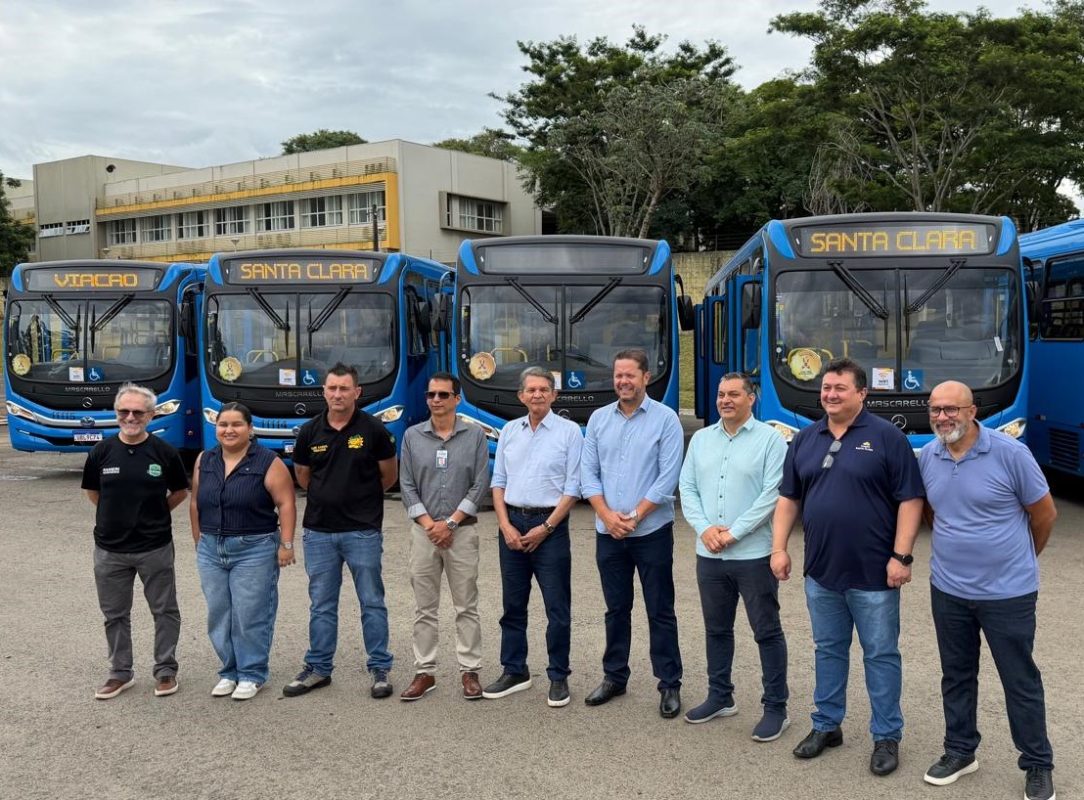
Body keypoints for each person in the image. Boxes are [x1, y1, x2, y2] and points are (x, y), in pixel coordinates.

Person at [770, 358, 924, 776]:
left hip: (875, 575)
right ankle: (827, 725)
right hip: (822, 573)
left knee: (881, 655)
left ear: (862, 393)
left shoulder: (888, 437)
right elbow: (789, 498)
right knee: (828, 650)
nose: (830, 394)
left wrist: (901, 556)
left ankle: (886, 736)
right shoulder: (806, 438)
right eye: (826, 388)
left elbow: (910, 499)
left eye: (840, 388)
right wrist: (778, 548)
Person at [918, 381, 1058, 800]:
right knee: (956, 675)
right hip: (948, 589)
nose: (943, 417)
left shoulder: (1011, 453)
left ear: (972, 411)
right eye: (935, 409)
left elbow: (1045, 514)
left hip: (1008, 594)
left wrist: (1021, 559)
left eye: (951, 409)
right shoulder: (929, 456)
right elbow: (932, 514)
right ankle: (960, 751)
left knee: (1019, 679)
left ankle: (1037, 763)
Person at [679, 373, 790, 740]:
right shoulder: (701, 440)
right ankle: (720, 696)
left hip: (753, 555)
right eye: (721, 394)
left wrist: (733, 533)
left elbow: (772, 494)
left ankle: (776, 708)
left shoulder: (771, 440)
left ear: (751, 399)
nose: (725, 400)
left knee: (766, 632)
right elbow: (687, 488)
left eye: (734, 394)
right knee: (716, 629)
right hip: (709, 554)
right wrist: (705, 529)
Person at [283, 363, 398, 699]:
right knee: (321, 604)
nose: (337, 394)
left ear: (356, 392)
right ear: (324, 392)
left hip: (362, 531)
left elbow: (388, 476)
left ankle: (380, 668)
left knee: (372, 602)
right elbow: (303, 475)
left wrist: (359, 500)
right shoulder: (309, 431)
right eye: (332, 388)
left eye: (344, 388)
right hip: (319, 532)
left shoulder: (374, 430)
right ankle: (318, 668)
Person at [581, 349, 685, 718]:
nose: (623, 382)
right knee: (616, 608)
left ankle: (669, 682)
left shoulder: (666, 419)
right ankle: (615, 676)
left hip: (651, 532)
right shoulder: (598, 419)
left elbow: (667, 478)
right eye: (618, 376)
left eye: (630, 375)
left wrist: (635, 516)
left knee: (660, 609)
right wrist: (607, 517)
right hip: (608, 532)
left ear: (646, 377)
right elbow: (587, 474)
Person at [81, 383, 189, 700]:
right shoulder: (101, 452)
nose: (130, 417)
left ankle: (165, 670)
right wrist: (117, 517)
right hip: (110, 550)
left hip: (154, 547)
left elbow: (180, 492)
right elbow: (93, 493)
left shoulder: (165, 452)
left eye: (138, 412)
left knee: (165, 611)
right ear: (116, 413)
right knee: (114, 614)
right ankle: (120, 673)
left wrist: (153, 514)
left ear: (151, 415)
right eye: (124, 411)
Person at [482, 366, 582, 707]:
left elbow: (573, 487)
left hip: (549, 527)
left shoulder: (570, 433)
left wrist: (547, 528)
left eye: (543, 389)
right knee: (513, 606)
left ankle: (558, 676)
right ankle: (515, 670)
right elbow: (498, 482)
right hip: (512, 524)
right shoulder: (510, 430)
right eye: (531, 390)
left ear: (554, 395)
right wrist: (505, 525)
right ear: (521, 396)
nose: (537, 394)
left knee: (557, 608)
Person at [190, 402, 297, 701]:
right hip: (211, 548)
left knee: (250, 614)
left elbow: (286, 503)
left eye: (237, 424)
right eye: (223, 424)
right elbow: (196, 502)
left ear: (250, 429)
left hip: (254, 548)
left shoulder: (268, 462)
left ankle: (251, 673)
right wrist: (199, 539)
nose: (229, 430)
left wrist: (286, 545)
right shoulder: (205, 459)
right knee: (219, 614)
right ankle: (229, 671)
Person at [399, 372, 490, 701]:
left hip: (461, 533)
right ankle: (425, 671)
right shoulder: (412, 436)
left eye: (443, 395)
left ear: (457, 399)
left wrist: (449, 523)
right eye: (431, 394)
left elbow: (480, 483)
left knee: (466, 605)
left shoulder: (475, 436)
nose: (435, 400)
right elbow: (406, 484)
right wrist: (430, 525)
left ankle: (470, 671)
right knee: (425, 608)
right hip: (424, 533)